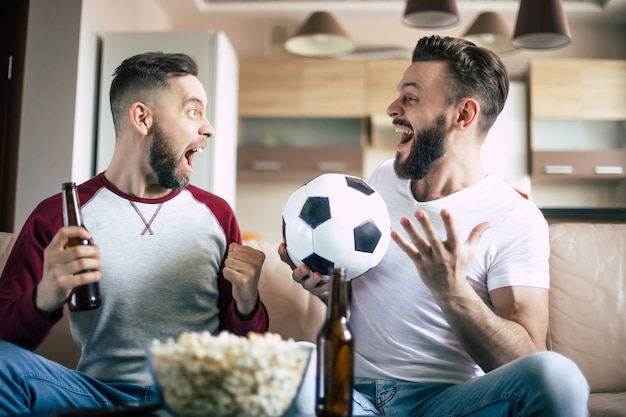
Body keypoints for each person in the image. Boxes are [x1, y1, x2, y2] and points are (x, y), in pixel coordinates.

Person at [280, 35, 589, 416]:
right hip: (352, 394)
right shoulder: (379, 181)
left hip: (446, 403)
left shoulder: (516, 217)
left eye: (411, 98)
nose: (392, 109)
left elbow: (525, 355)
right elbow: (369, 300)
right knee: (292, 359)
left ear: (463, 115)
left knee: (557, 375)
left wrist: (453, 292)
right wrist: (329, 289)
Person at [0, 52, 269, 415]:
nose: (209, 128)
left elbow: (247, 352)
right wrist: (44, 296)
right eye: (193, 111)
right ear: (142, 117)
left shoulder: (216, 214)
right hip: (96, 396)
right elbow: (6, 343)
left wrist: (247, 302)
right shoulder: (58, 216)